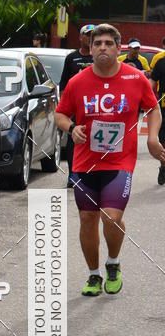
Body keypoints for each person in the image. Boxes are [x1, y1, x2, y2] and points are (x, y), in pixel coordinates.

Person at [55, 23, 163, 297]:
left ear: (118, 48)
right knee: (87, 218)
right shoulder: (77, 82)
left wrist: (152, 138)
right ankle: (94, 275)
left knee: (110, 217)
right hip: (84, 163)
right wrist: (71, 128)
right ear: (90, 49)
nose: (102, 47)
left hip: (119, 162)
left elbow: (152, 107)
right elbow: (61, 114)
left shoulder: (134, 78)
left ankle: (113, 263)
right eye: (97, 44)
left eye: (107, 43)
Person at [59, 24, 95, 187]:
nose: (90, 37)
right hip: (75, 106)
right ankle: (73, 173)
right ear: (80, 37)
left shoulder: (98, 58)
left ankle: (91, 173)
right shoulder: (71, 58)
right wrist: (63, 108)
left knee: (93, 140)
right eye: (87, 35)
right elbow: (63, 84)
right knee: (73, 139)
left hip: (95, 106)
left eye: (93, 35)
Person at [150, 53, 165, 184]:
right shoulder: (160, 62)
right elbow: (151, 83)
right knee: (163, 140)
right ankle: (164, 166)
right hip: (163, 108)